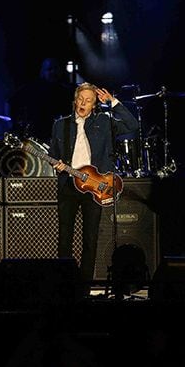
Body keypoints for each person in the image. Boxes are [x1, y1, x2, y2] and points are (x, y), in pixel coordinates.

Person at [49, 82, 138, 293]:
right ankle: (64, 286)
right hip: (68, 185)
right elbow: (53, 154)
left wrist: (113, 102)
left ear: (94, 104)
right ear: (75, 100)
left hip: (94, 187)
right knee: (65, 238)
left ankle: (84, 287)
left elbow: (132, 125)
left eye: (89, 100)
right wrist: (57, 165)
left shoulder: (104, 121)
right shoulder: (60, 125)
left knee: (90, 238)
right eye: (81, 99)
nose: (83, 103)